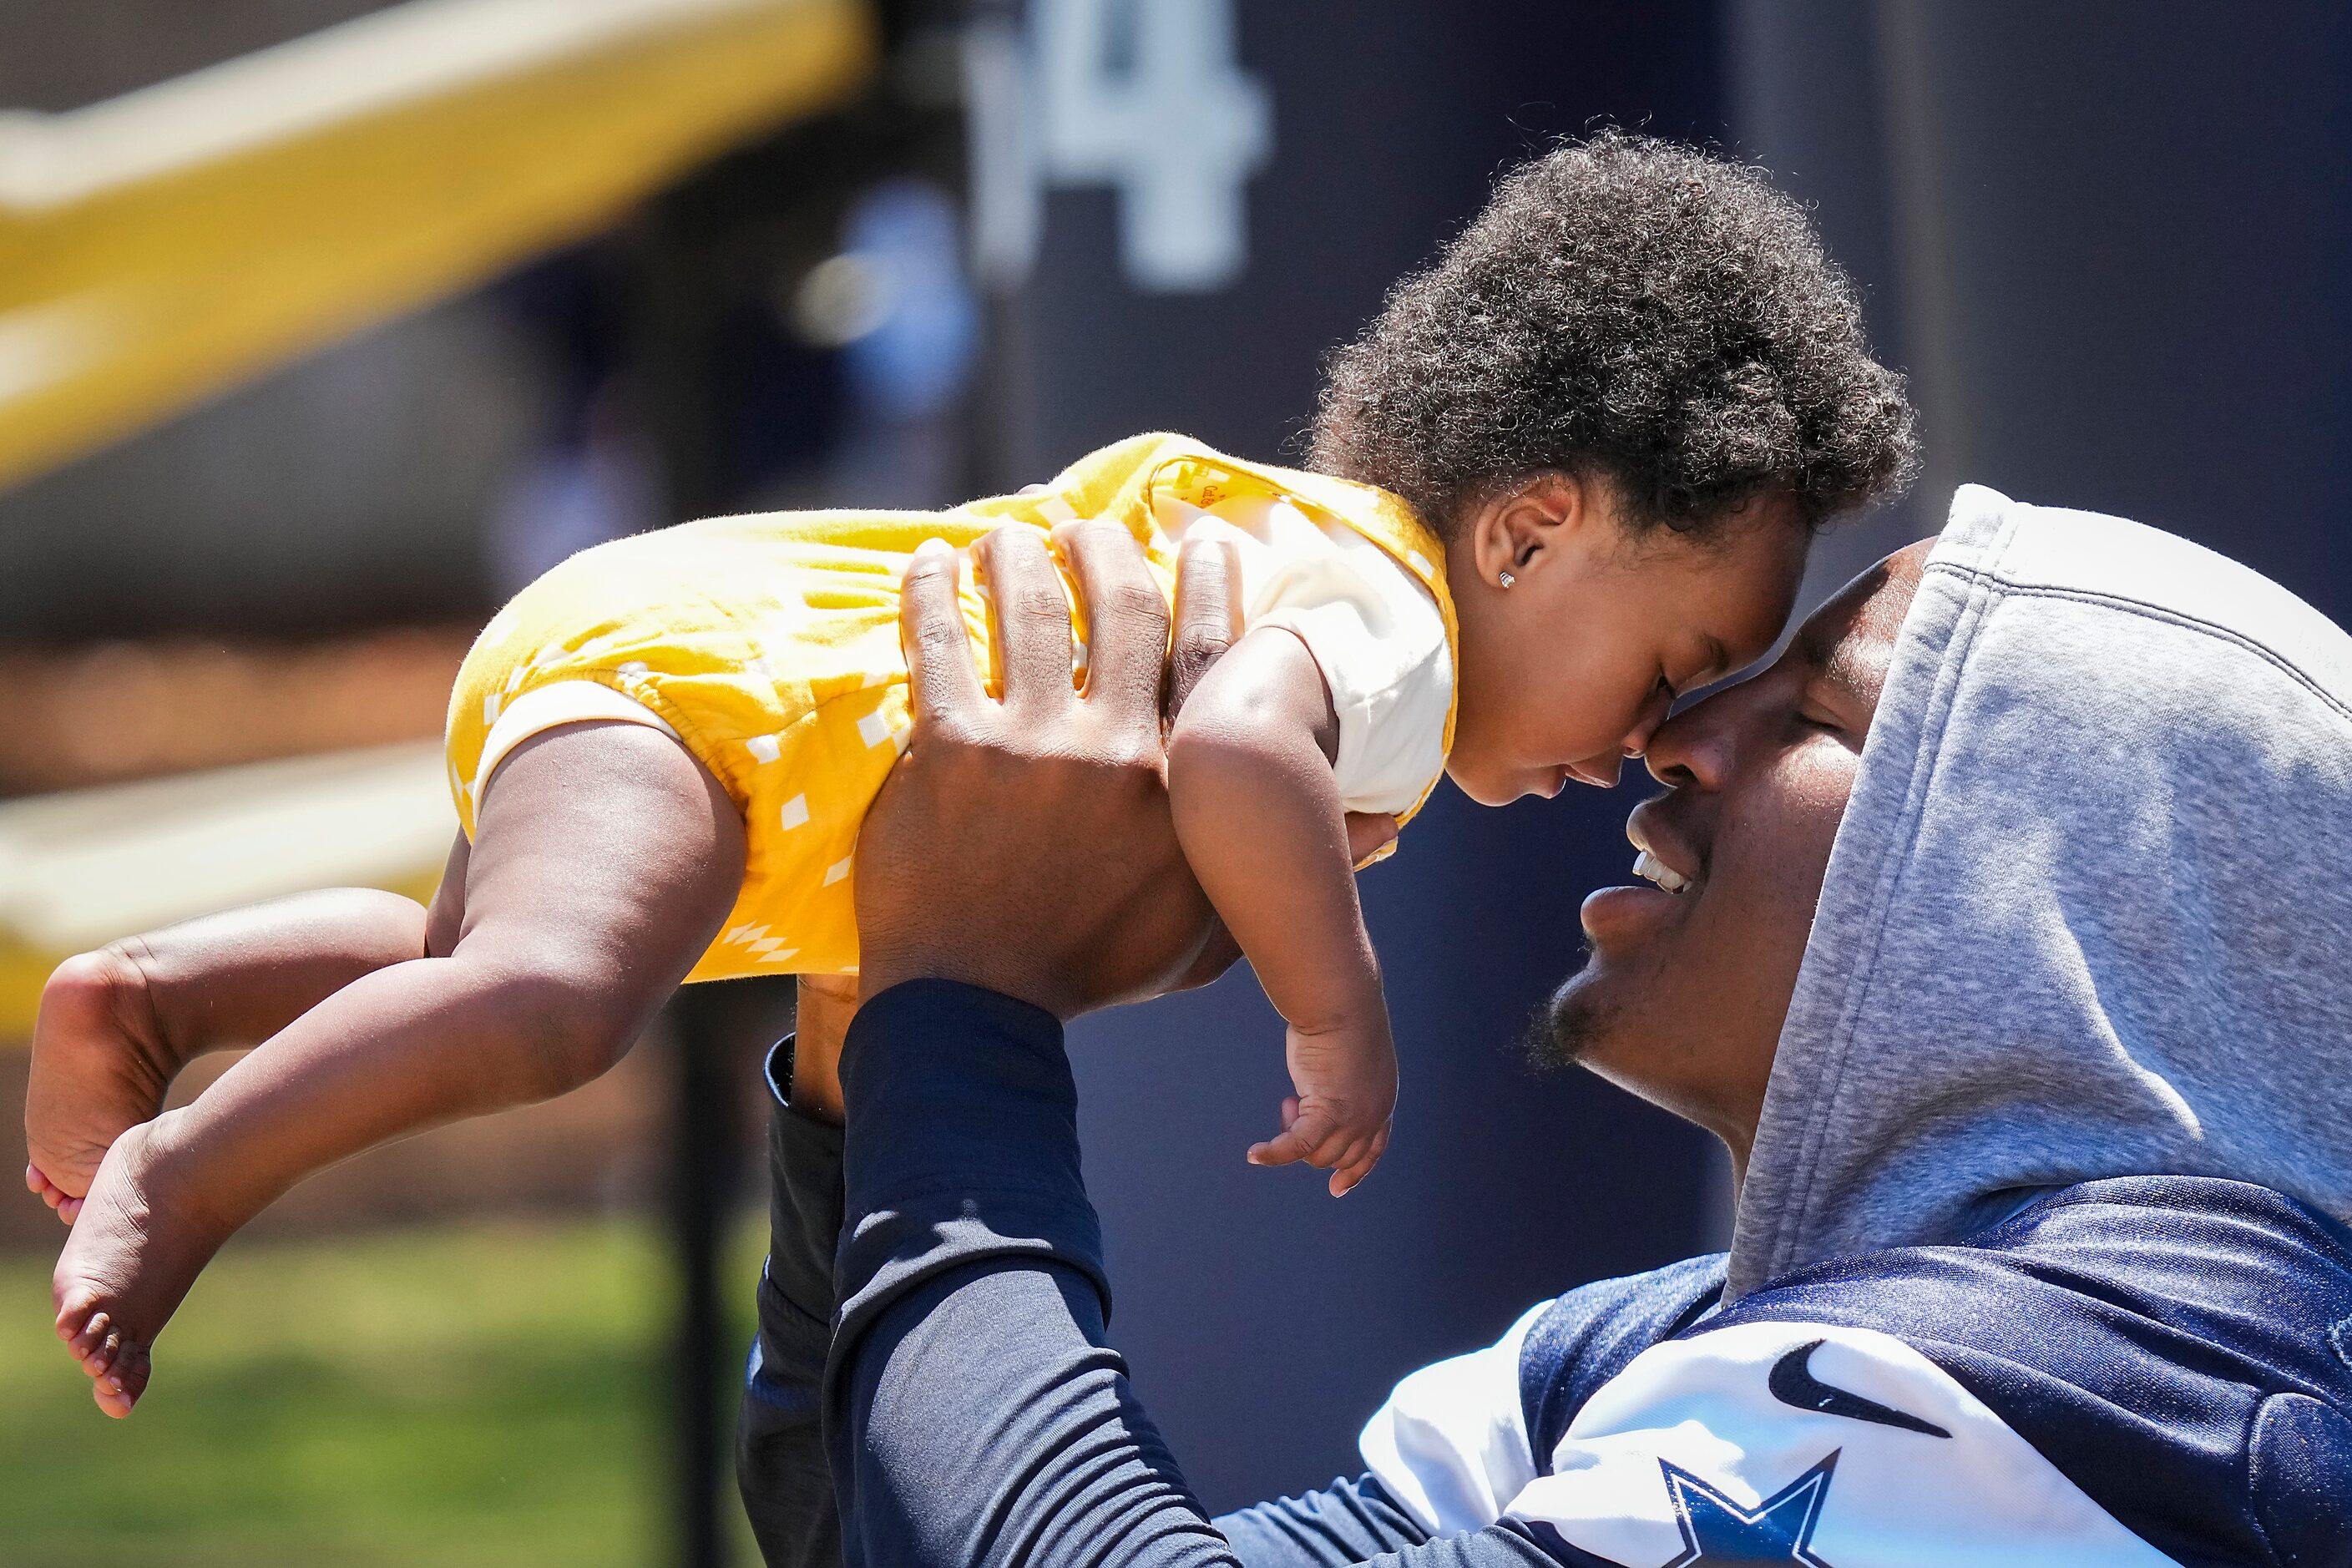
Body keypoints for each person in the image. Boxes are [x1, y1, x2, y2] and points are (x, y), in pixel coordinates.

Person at [23, 132, 1915, 1414]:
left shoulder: (1335, 558)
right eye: (1666, 663)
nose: (1643, 740)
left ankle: (160, 989)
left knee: (478, 959)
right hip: (731, 695)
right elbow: (1237, 749)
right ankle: (193, 1172)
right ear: (1526, 530)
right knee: (542, 1006)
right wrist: (1337, 1015)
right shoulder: (1392, 623)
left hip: (703, 685)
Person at [741, 484, 2352, 1563]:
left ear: (2052, 888)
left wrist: (962, 1001)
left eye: (1818, 711)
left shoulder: (2113, 1371)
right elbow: (895, 1516)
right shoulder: (1654, 1350)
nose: (1679, 733)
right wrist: (869, 1058)